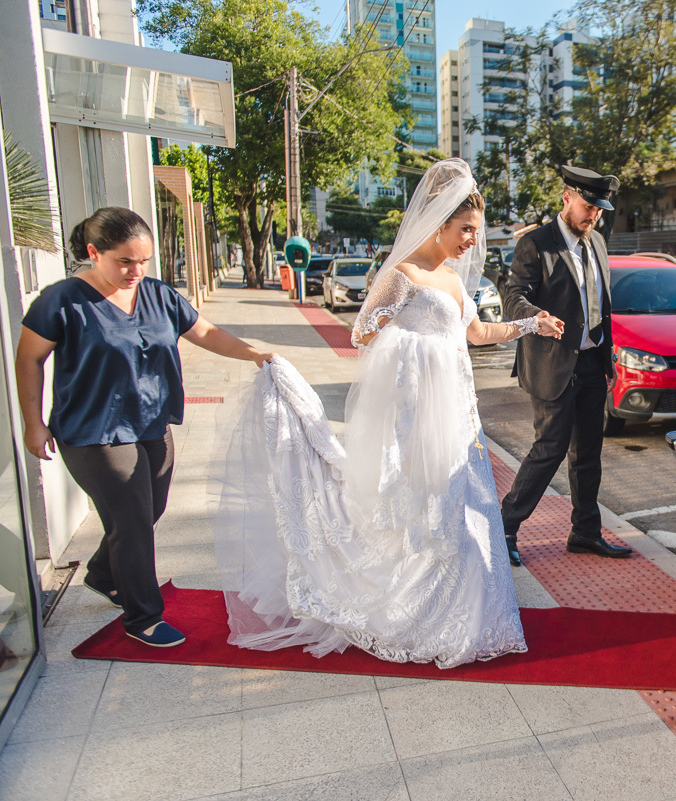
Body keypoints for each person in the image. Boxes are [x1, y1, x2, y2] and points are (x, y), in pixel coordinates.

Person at [215, 158, 564, 668]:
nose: (472, 240)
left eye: (476, 231)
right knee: (423, 513)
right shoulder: (402, 275)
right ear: (439, 220)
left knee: (466, 512)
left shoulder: (452, 279)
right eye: (465, 229)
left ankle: (469, 618)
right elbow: (363, 334)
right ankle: (416, 617)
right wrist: (418, 361)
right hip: (419, 416)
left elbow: (475, 334)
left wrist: (532, 323)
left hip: (459, 419)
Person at [15, 207, 277, 648]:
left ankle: (101, 573)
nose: (135, 270)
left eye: (143, 261)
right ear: (94, 252)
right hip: (92, 431)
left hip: (152, 424)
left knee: (148, 511)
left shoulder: (159, 295)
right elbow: (29, 359)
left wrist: (255, 354)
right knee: (133, 520)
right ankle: (143, 617)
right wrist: (32, 423)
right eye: (124, 261)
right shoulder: (61, 300)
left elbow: (206, 333)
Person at [500, 165, 630, 567]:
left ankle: (585, 532)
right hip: (552, 364)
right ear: (566, 199)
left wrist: (607, 357)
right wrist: (535, 315)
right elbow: (514, 295)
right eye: (589, 206)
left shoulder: (599, 243)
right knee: (550, 449)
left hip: (592, 362)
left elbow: (601, 305)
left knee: (588, 453)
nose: (594, 215)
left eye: (600, 210)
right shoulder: (536, 244)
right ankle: (504, 527)